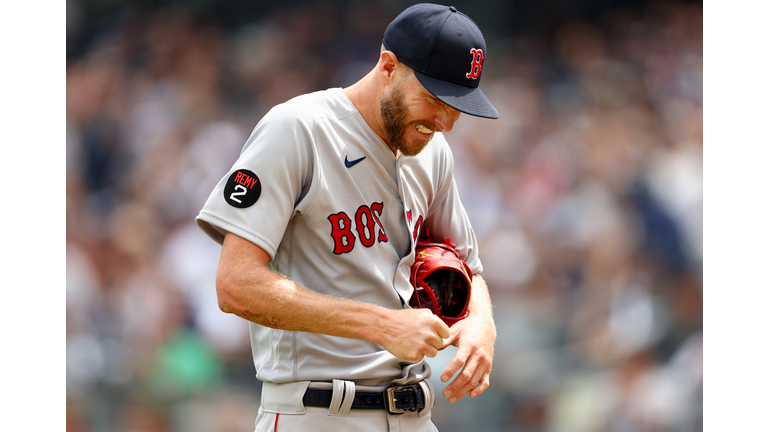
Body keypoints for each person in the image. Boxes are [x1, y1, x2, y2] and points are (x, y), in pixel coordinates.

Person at [196, 4, 498, 431]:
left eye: (457, 106)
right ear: (388, 67)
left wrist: (481, 323)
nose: (446, 122)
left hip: (416, 413)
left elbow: (470, 267)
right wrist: (381, 324)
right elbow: (236, 285)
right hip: (319, 410)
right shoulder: (299, 128)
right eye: (435, 99)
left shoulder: (433, 152)